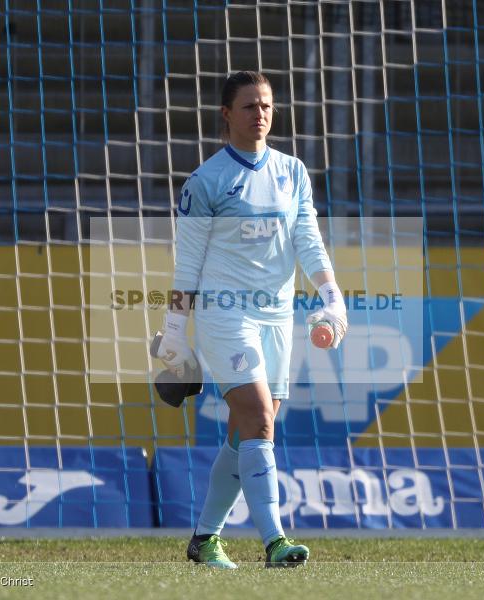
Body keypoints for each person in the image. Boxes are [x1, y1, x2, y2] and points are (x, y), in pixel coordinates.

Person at [154, 71, 348, 569]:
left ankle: (204, 540)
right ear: (226, 114)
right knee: (260, 417)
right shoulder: (207, 181)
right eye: (248, 106)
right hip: (225, 313)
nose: (260, 114)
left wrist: (332, 297)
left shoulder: (292, 171)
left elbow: (308, 238)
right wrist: (175, 335)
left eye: (266, 105)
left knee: (247, 430)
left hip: (277, 316)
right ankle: (275, 541)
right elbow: (188, 263)